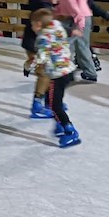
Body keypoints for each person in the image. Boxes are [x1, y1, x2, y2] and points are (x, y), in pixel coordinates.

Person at [30, 8, 80, 148]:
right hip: (68, 71)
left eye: (32, 24)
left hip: (57, 74)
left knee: (54, 105)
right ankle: (59, 126)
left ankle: (69, 131)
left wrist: (30, 65)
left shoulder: (42, 38)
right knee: (55, 99)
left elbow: (42, 56)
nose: (32, 28)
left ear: (39, 24)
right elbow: (66, 31)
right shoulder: (57, 27)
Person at [21, 0, 63, 118]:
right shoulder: (43, 8)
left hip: (36, 43)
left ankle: (48, 101)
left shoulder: (44, 4)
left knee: (48, 72)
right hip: (35, 44)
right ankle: (37, 105)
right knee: (45, 73)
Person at [55, 0, 98, 82]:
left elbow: (71, 2)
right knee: (74, 45)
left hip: (78, 17)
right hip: (77, 16)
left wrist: (78, 18)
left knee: (77, 44)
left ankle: (89, 72)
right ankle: (73, 70)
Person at [74, 0, 109, 71]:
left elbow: (94, 7)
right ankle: (81, 60)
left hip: (84, 23)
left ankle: (92, 61)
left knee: (84, 44)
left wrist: (105, 14)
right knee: (81, 44)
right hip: (78, 23)